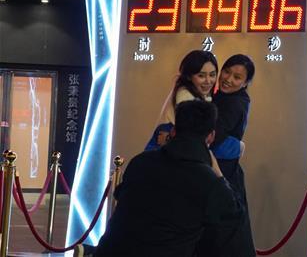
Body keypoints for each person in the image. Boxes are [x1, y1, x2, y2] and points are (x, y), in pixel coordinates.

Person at [93, 100, 254, 257]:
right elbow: (234, 220)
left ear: (173, 131)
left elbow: (122, 198)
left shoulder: (140, 162)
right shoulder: (209, 182)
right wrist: (219, 174)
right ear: (211, 136)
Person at [210, 54, 256, 249]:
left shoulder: (233, 103)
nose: (228, 79)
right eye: (226, 72)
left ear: (245, 83)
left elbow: (211, 137)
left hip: (221, 175)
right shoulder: (225, 97)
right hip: (226, 173)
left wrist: (170, 137)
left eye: (237, 77)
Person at [146, 50, 218, 151]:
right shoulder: (185, 97)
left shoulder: (201, 93)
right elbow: (191, 137)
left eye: (212, 75)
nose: (208, 81)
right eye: (201, 76)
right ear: (188, 76)